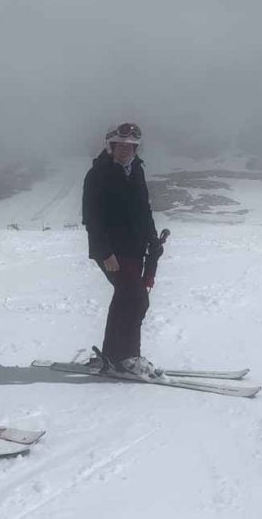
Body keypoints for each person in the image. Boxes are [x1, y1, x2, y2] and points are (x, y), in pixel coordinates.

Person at [82, 122, 164, 378]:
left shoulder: (136, 171)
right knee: (136, 299)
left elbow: (144, 211)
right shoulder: (98, 174)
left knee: (124, 299)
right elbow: (91, 217)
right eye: (121, 146)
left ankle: (111, 354)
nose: (126, 150)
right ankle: (127, 357)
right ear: (111, 146)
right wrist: (105, 252)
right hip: (112, 253)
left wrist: (152, 241)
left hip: (135, 249)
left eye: (131, 146)